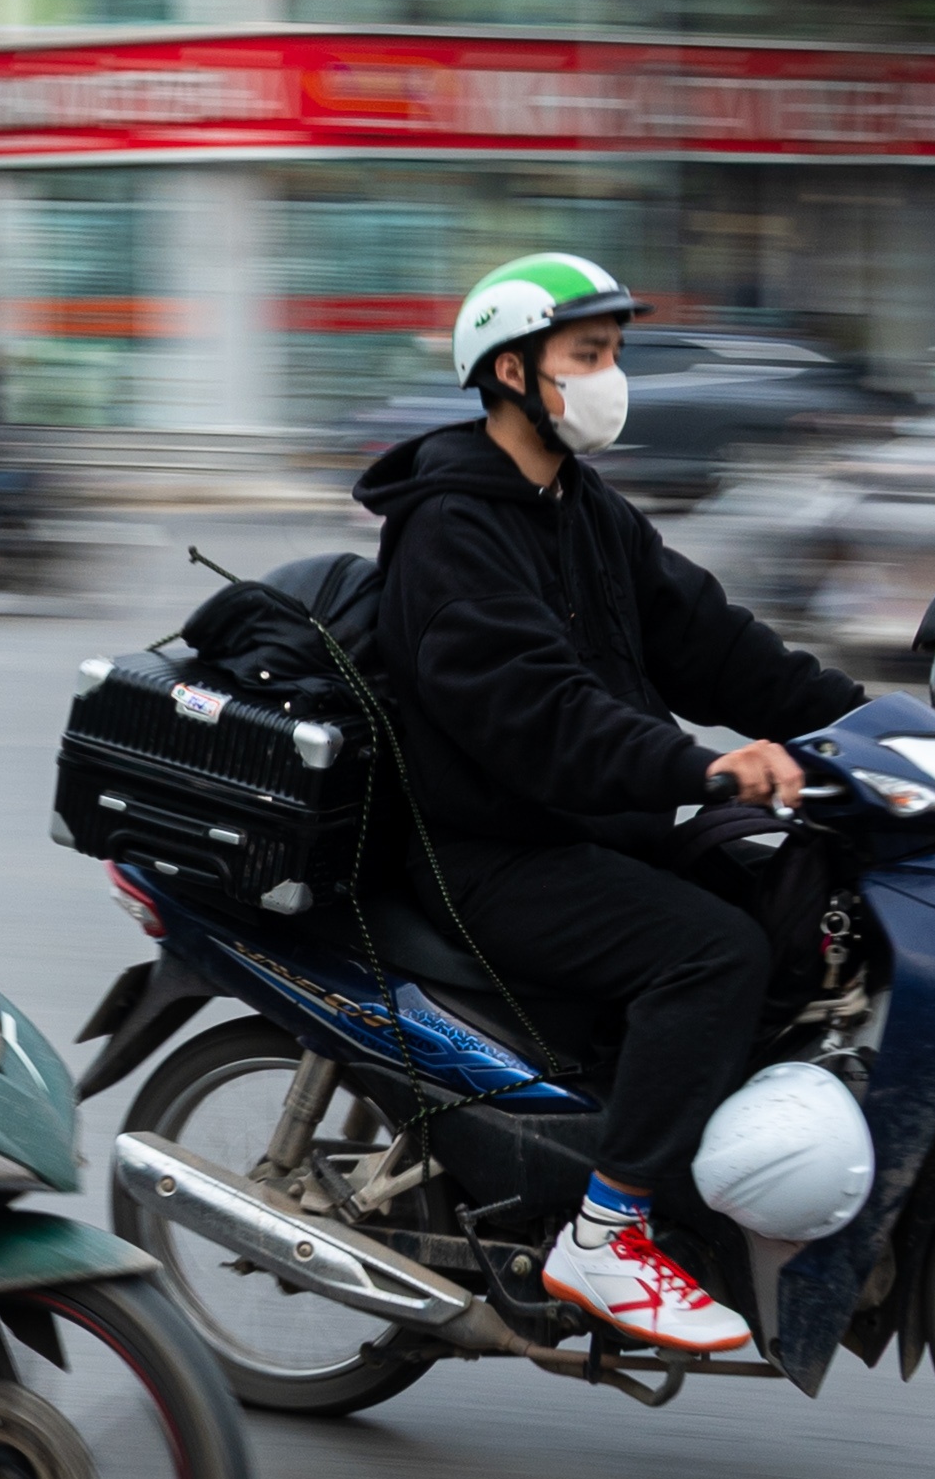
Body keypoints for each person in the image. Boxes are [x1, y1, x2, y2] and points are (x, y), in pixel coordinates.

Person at [358, 252, 866, 1359]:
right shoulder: (452, 528)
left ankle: (691, 1181)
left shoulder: (577, 505)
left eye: (613, 354)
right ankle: (605, 1229)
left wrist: (861, 724)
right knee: (710, 953)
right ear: (509, 371)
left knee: (788, 891)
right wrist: (700, 768)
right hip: (486, 848)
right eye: (586, 355)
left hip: (587, 820)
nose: (609, 376)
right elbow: (538, 713)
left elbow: (708, 640)